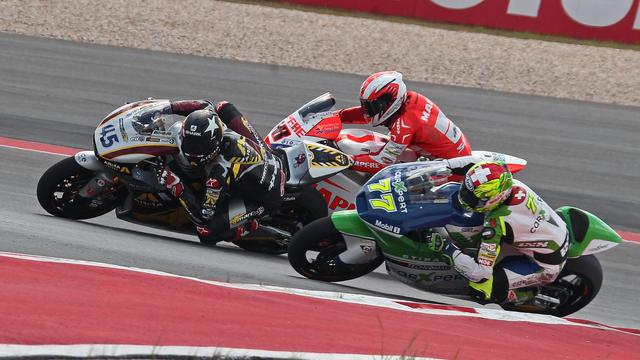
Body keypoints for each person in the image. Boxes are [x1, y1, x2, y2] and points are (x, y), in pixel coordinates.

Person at [427, 160, 569, 304]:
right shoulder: (506, 180)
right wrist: (444, 165)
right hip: (553, 233)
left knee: (481, 289)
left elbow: (480, 274)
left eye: (477, 199)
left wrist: (445, 248)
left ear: (497, 197)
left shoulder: (496, 223)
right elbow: (476, 162)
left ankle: (522, 295)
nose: (466, 199)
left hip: (546, 265)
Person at [156, 100, 285, 243]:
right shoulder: (212, 121)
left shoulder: (218, 174)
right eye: (189, 141)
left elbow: (204, 215)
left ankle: (247, 227)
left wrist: (177, 186)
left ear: (213, 144)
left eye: (199, 146)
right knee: (223, 107)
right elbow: (203, 105)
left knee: (206, 232)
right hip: (267, 158)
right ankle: (266, 150)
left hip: (266, 196)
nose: (192, 149)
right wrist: (166, 107)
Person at [333, 71, 472, 173]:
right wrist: (336, 116)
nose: (367, 111)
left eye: (371, 106)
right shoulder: (409, 100)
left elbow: (381, 163)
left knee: (390, 180)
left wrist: (344, 160)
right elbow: (367, 114)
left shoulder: (406, 125)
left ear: (390, 101)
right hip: (445, 153)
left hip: (450, 169)